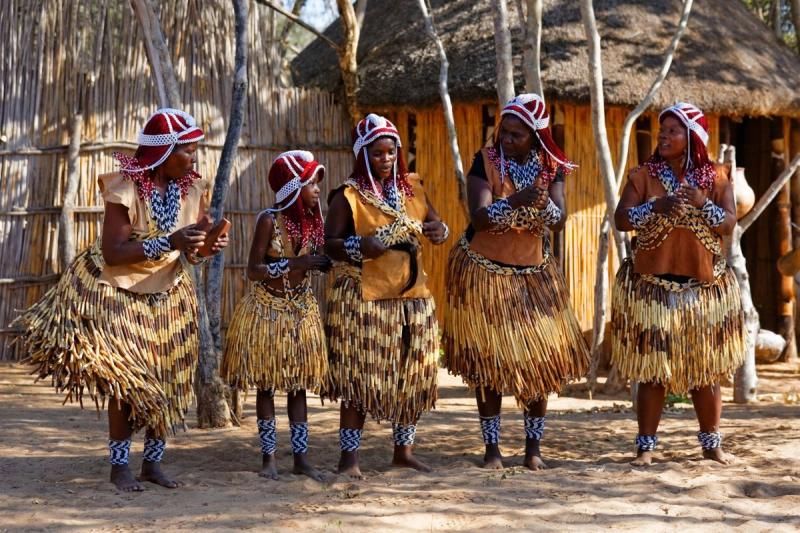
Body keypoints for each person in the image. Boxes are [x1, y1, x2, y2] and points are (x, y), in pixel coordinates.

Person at [12, 108, 228, 491]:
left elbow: (189, 254)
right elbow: (114, 252)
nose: (194, 158)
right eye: (188, 151)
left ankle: (153, 463)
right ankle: (119, 466)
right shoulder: (125, 188)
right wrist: (171, 240)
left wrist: (204, 246)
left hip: (168, 294)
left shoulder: (192, 189)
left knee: (167, 379)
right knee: (128, 383)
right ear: (163, 152)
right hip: (118, 290)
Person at [442, 94, 590, 470]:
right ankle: (492, 450)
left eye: (517, 134)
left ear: (536, 136)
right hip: (485, 269)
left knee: (539, 361)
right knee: (490, 362)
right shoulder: (485, 160)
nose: (506, 138)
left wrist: (542, 205)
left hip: (534, 273)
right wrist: (516, 201)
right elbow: (480, 218)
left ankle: (533, 448)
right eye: (504, 131)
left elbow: (558, 220)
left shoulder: (550, 166)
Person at [612, 102, 744, 466]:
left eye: (673, 131)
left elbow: (728, 223)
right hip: (653, 287)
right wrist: (655, 208)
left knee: (705, 371)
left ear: (693, 139)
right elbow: (621, 219)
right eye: (662, 130)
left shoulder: (716, 177)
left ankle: (711, 444)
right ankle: (646, 446)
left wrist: (702, 204)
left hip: (702, 289)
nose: (664, 136)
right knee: (653, 372)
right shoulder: (643, 175)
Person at [323, 113, 449, 478]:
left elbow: (435, 224)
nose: (386, 160)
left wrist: (439, 230)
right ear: (363, 154)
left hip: (413, 296)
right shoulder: (347, 196)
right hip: (367, 298)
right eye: (378, 154)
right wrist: (359, 245)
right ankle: (349, 458)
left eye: (391, 152)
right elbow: (329, 246)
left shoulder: (414, 187)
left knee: (412, 376)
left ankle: (403, 452)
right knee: (359, 378)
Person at [222, 151, 330, 481]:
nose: (317, 190)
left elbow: (317, 260)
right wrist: (296, 264)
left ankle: (301, 458)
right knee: (266, 385)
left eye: (316, 184)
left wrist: (320, 264)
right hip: (266, 311)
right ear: (293, 188)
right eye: (311, 184)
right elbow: (254, 271)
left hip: (301, 312)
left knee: (298, 387)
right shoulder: (268, 220)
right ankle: (268, 459)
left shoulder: (314, 221)